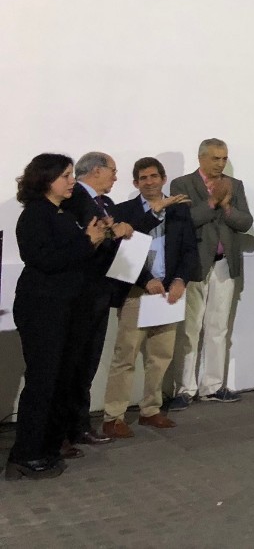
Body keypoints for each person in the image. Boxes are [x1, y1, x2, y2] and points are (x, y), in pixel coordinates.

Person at [6, 154, 106, 480]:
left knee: (61, 380)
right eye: (65, 175)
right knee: (43, 381)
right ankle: (26, 454)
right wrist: (87, 241)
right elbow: (46, 260)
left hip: (66, 307)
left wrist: (92, 238)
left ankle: (48, 447)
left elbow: (72, 255)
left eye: (72, 174)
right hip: (43, 308)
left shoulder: (62, 212)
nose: (72, 181)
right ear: (46, 179)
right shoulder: (35, 215)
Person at [102, 157, 198, 437]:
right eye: (143, 178)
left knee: (161, 355)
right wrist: (146, 280)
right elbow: (120, 252)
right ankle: (113, 416)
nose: (149, 182)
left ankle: (151, 409)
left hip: (168, 292)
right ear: (135, 183)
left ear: (163, 178)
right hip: (137, 291)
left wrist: (180, 280)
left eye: (154, 176)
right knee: (126, 355)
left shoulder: (180, 209)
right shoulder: (124, 211)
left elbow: (189, 249)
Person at [167, 138, 254, 407]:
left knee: (218, 327)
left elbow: (245, 222)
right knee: (190, 328)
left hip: (224, 263)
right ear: (201, 158)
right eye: (215, 158)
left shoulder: (235, 185)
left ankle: (213, 386)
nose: (221, 163)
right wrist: (213, 202)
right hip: (193, 264)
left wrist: (227, 206)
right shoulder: (182, 184)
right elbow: (186, 220)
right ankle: (185, 388)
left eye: (224, 158)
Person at [60, 151, 131, 450]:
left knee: (88, 364)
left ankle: (79, 426)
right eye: (113, 170)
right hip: (79, 293)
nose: (116, 176)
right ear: (97, 170)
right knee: (71, 363)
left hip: (101, 292)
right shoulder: (74, 199)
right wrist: (113, 233)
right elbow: (82, 242)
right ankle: (61, 431)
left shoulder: (107, 204)